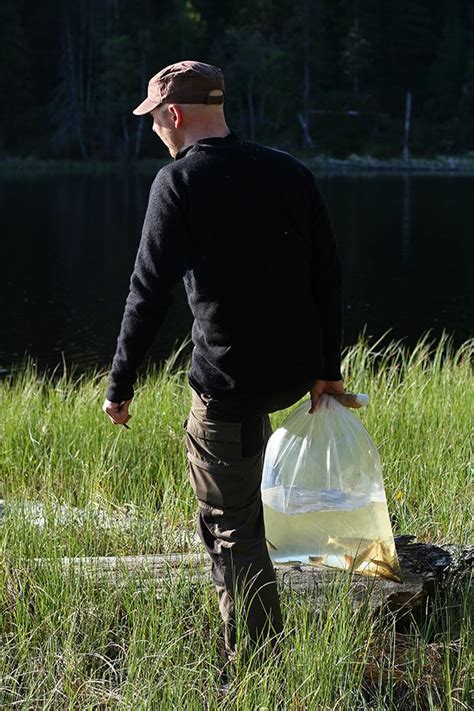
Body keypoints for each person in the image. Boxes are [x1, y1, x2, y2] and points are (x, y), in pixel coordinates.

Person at [102, 60, 345, 674]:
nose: (155, 129)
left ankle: (257, 664)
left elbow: (147, 292)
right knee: (249, 502)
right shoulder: (288, 171)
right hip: (290, 375)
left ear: (174, 115)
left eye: (154, 118)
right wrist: (328, 369)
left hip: (228, 387)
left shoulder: (178, 183)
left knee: (231, 526)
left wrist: (120, 385)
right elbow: (326, 275)